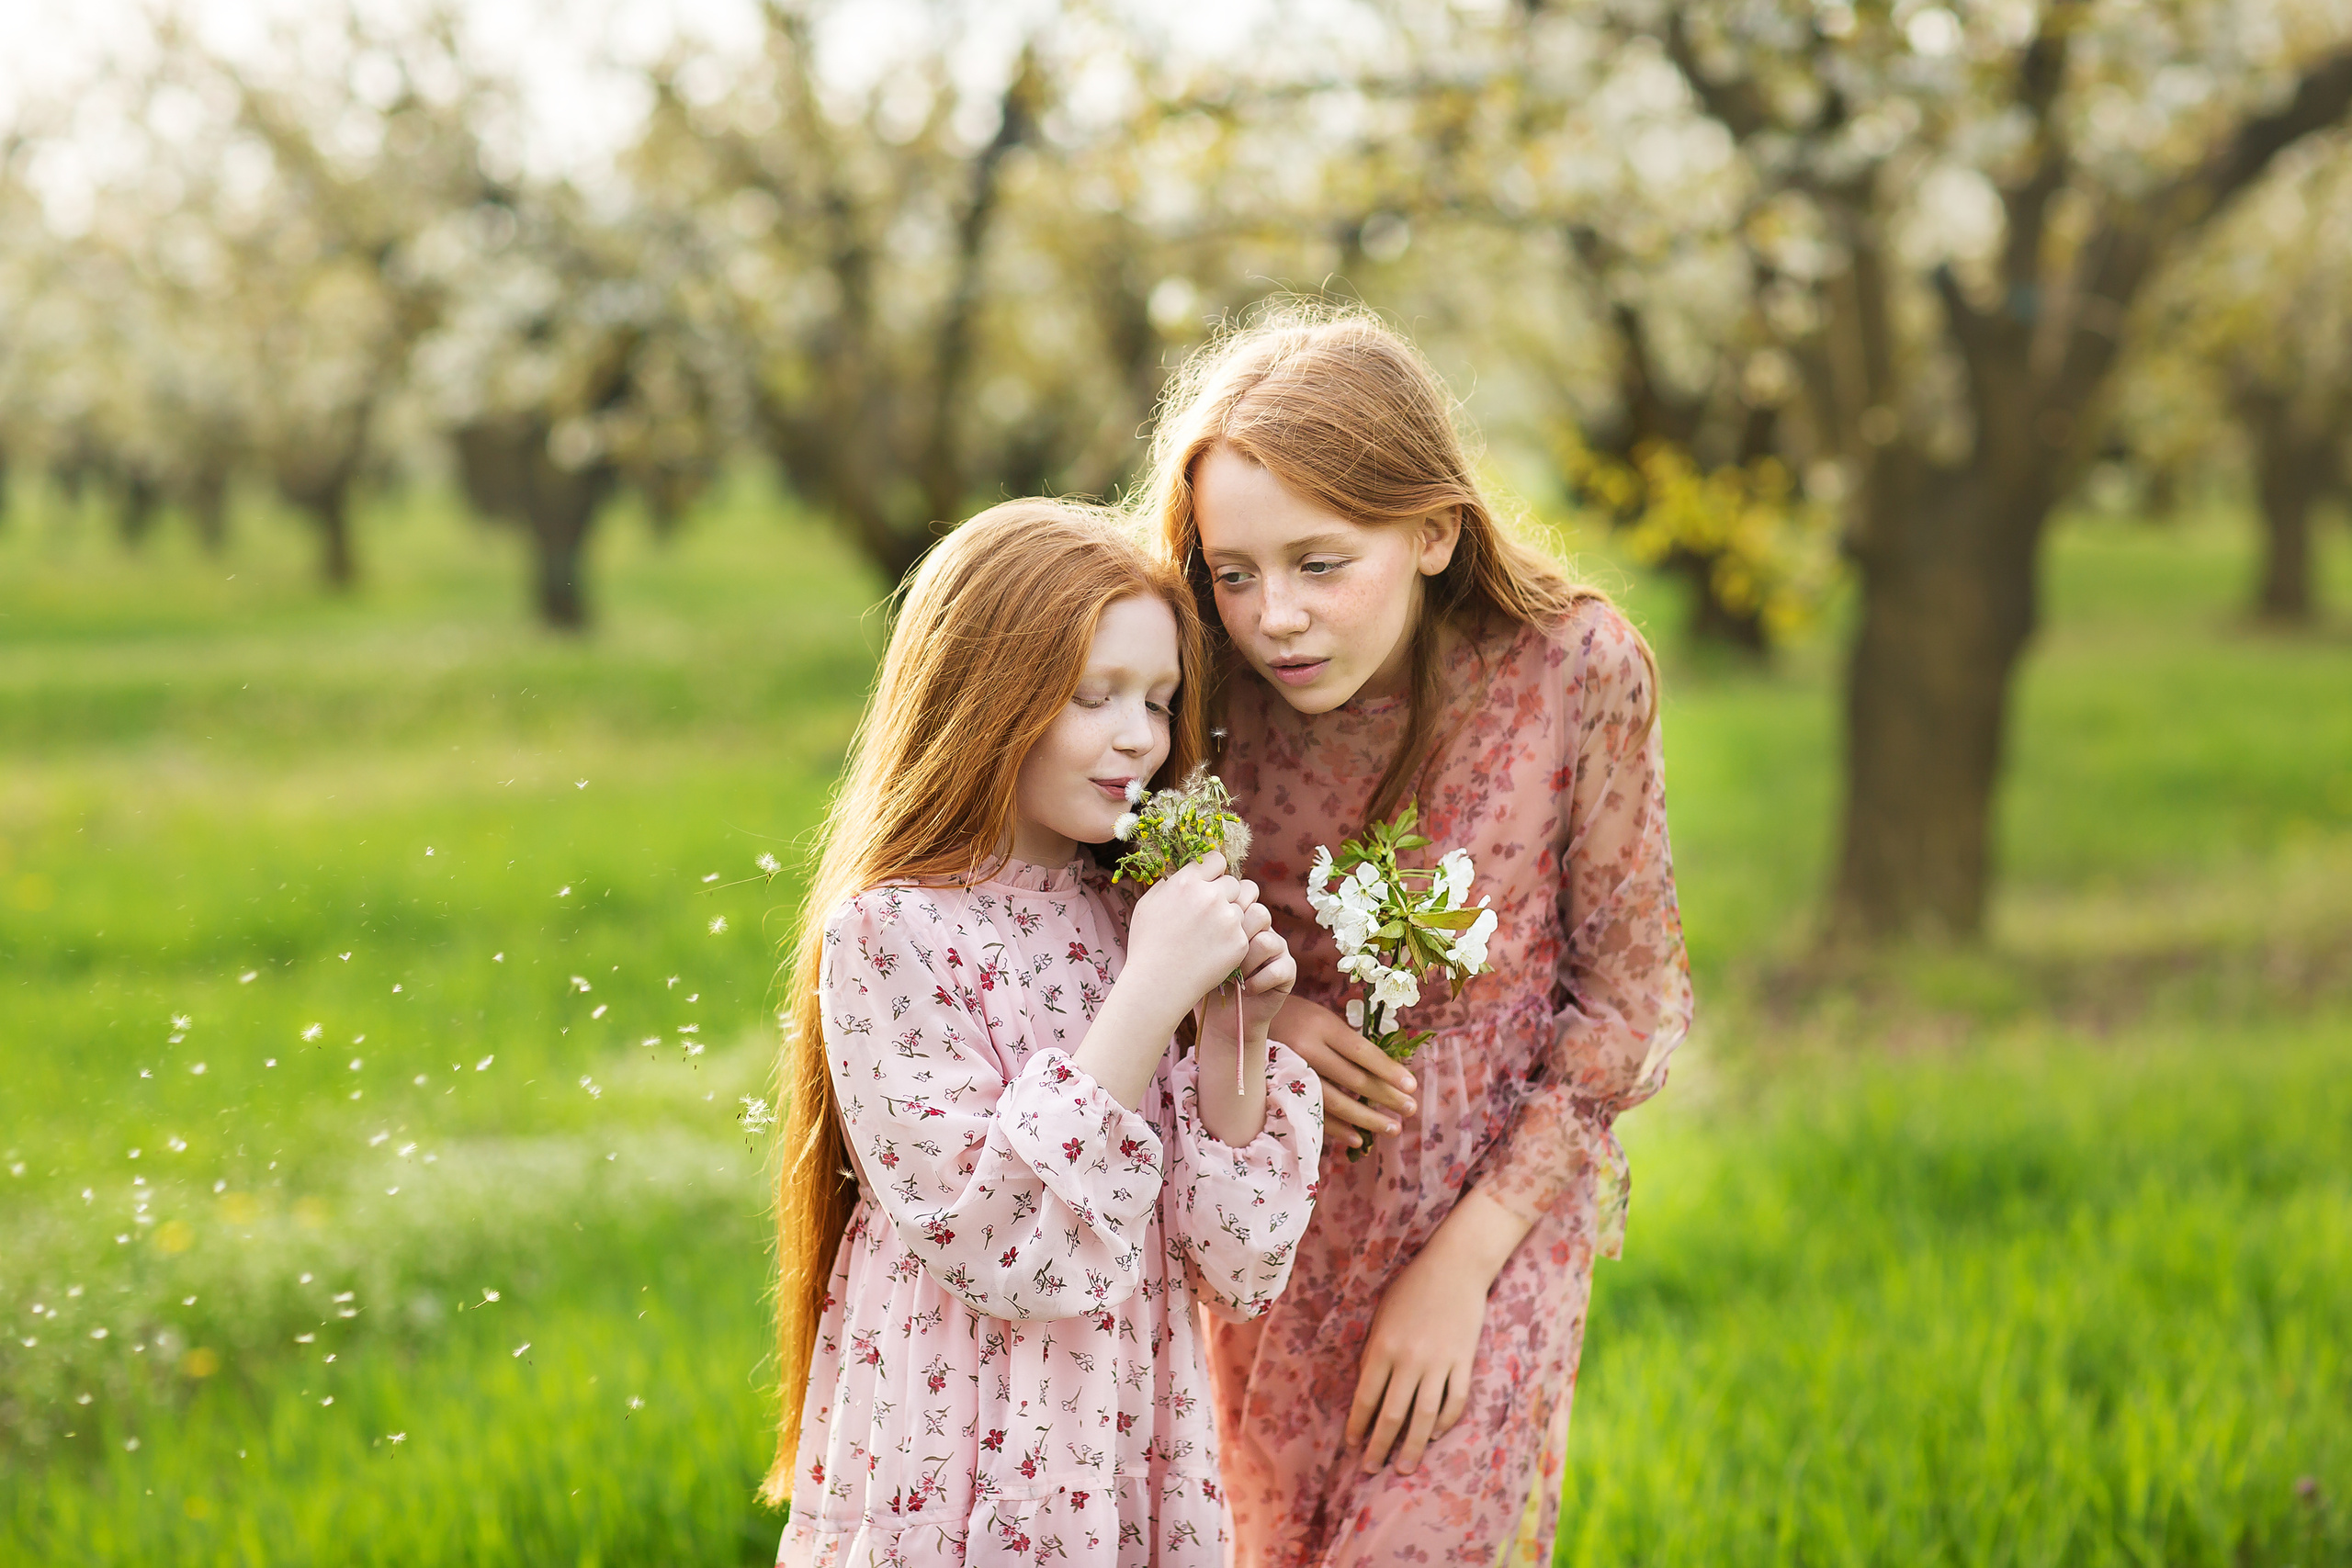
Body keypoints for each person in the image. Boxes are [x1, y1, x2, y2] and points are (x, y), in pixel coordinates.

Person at [1142, 306, 1693, 1567]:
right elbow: (1100, 919)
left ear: (1433, 530)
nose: (1273, 612)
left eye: (1321, 563)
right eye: (1235, 571)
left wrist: (1466, 1267)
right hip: (1256, 1217)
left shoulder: (1572, 669)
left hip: (1485, 1221)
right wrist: (1256, 1013)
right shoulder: (1192, 686)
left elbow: (1630, 1003)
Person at [760, 499, 1324, 1568]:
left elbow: (1237, 1265)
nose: (1138, 738)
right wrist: (1148, 993)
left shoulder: (1127, 917)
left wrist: (1232, 1033)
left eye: (1158, 702)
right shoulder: (891, 936)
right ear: (986, 695)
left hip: (1125, 1451)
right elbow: (1004, 1242)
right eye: (1093, 695)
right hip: (966, 1460)